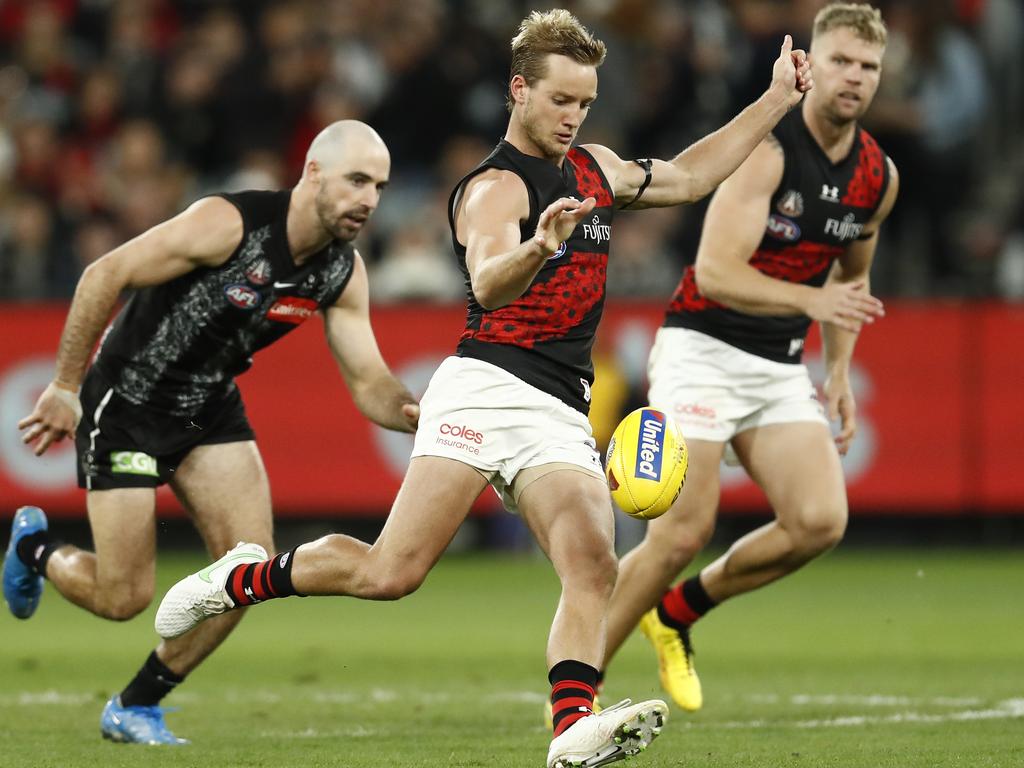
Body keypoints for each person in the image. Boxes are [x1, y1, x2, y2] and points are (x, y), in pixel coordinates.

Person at [154, 9, 811, 767]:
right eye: (560, 100)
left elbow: (691, 177)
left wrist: (774, 102)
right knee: (389, 573)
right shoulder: (494, 189)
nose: (573, 117)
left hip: (560, 406)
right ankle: (246, 577)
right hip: (486, 386)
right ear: (519, 91)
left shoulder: (595, 169)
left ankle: (570, 732)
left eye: (585, 103)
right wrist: (540, 246)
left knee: (593, 562)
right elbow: (490, 284)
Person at [3, 120, 419, 744]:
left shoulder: (340, 271)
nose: (369, 199)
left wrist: (417, 414)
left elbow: (369, 384)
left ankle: (136, 704)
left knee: (244, 573)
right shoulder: (229, 224)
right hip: (129, 407)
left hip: (206, 412)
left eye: (380, 187)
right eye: (357, 180)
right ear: (312, 173)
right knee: (123, 598)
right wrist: (64, 386)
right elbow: (102, 274)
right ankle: (35, 550)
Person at [600, 3, 899, 713]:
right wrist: (810, 303)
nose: (854, 77)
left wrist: (835, 373)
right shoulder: (769, 148)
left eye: (869, 67)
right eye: (841, 61)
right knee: (679, 533)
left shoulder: (876, 177)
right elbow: (715, 272)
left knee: (819, 521)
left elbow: (851, 281)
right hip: (703, 348)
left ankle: (678, 612)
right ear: (812, 65)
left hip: (775, 365)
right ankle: (579, 683)